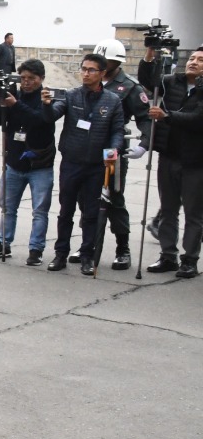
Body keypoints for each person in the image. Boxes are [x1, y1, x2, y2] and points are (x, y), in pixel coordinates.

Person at [43, 54, 126, 275]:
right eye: (84, 69)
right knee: (65, 211)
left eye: (91, 70)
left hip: (96, 166)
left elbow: (118, 130)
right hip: (71, 162)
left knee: (91, 213)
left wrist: (114, 149)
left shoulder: (112, 100)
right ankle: (61, 253)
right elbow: (52, 115)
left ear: (102, 74)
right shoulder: (70, 96)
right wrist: (45, 105)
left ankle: (88, 255)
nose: (86, 73)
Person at [0, 60, 55, 264]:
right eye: (22, 78)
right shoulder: (13, 93)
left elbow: (40, 120)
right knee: (7, 207)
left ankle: (35, 250)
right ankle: (2, 243)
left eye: (31, 79)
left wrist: (15, 104)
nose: (26, 82)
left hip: (40, 165)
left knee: (39, 211)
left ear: (41, 79)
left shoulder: (47, 98)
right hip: (14, 162)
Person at [91, 40, 151, 271]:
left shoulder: (129, 87)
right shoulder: (91, 80)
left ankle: (122, 249)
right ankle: (89, 245)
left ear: (118, 62)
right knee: (87, 198)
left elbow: (145, 118)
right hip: (88, 148)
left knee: (114, 199)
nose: (102, 66)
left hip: (113, 149)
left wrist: (144, 144)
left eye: (107, 62)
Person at [144, 45, 203, 278]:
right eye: (192, 58)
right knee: (168, 210)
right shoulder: (172, 82)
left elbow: (199, 119)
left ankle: (190, 259)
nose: (194, 62)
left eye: (200, 59)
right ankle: (168, 255)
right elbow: (148, 80)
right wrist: (150, 54)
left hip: (196, 161)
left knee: (193, 213)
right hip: (168, 155)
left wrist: (167, 116)